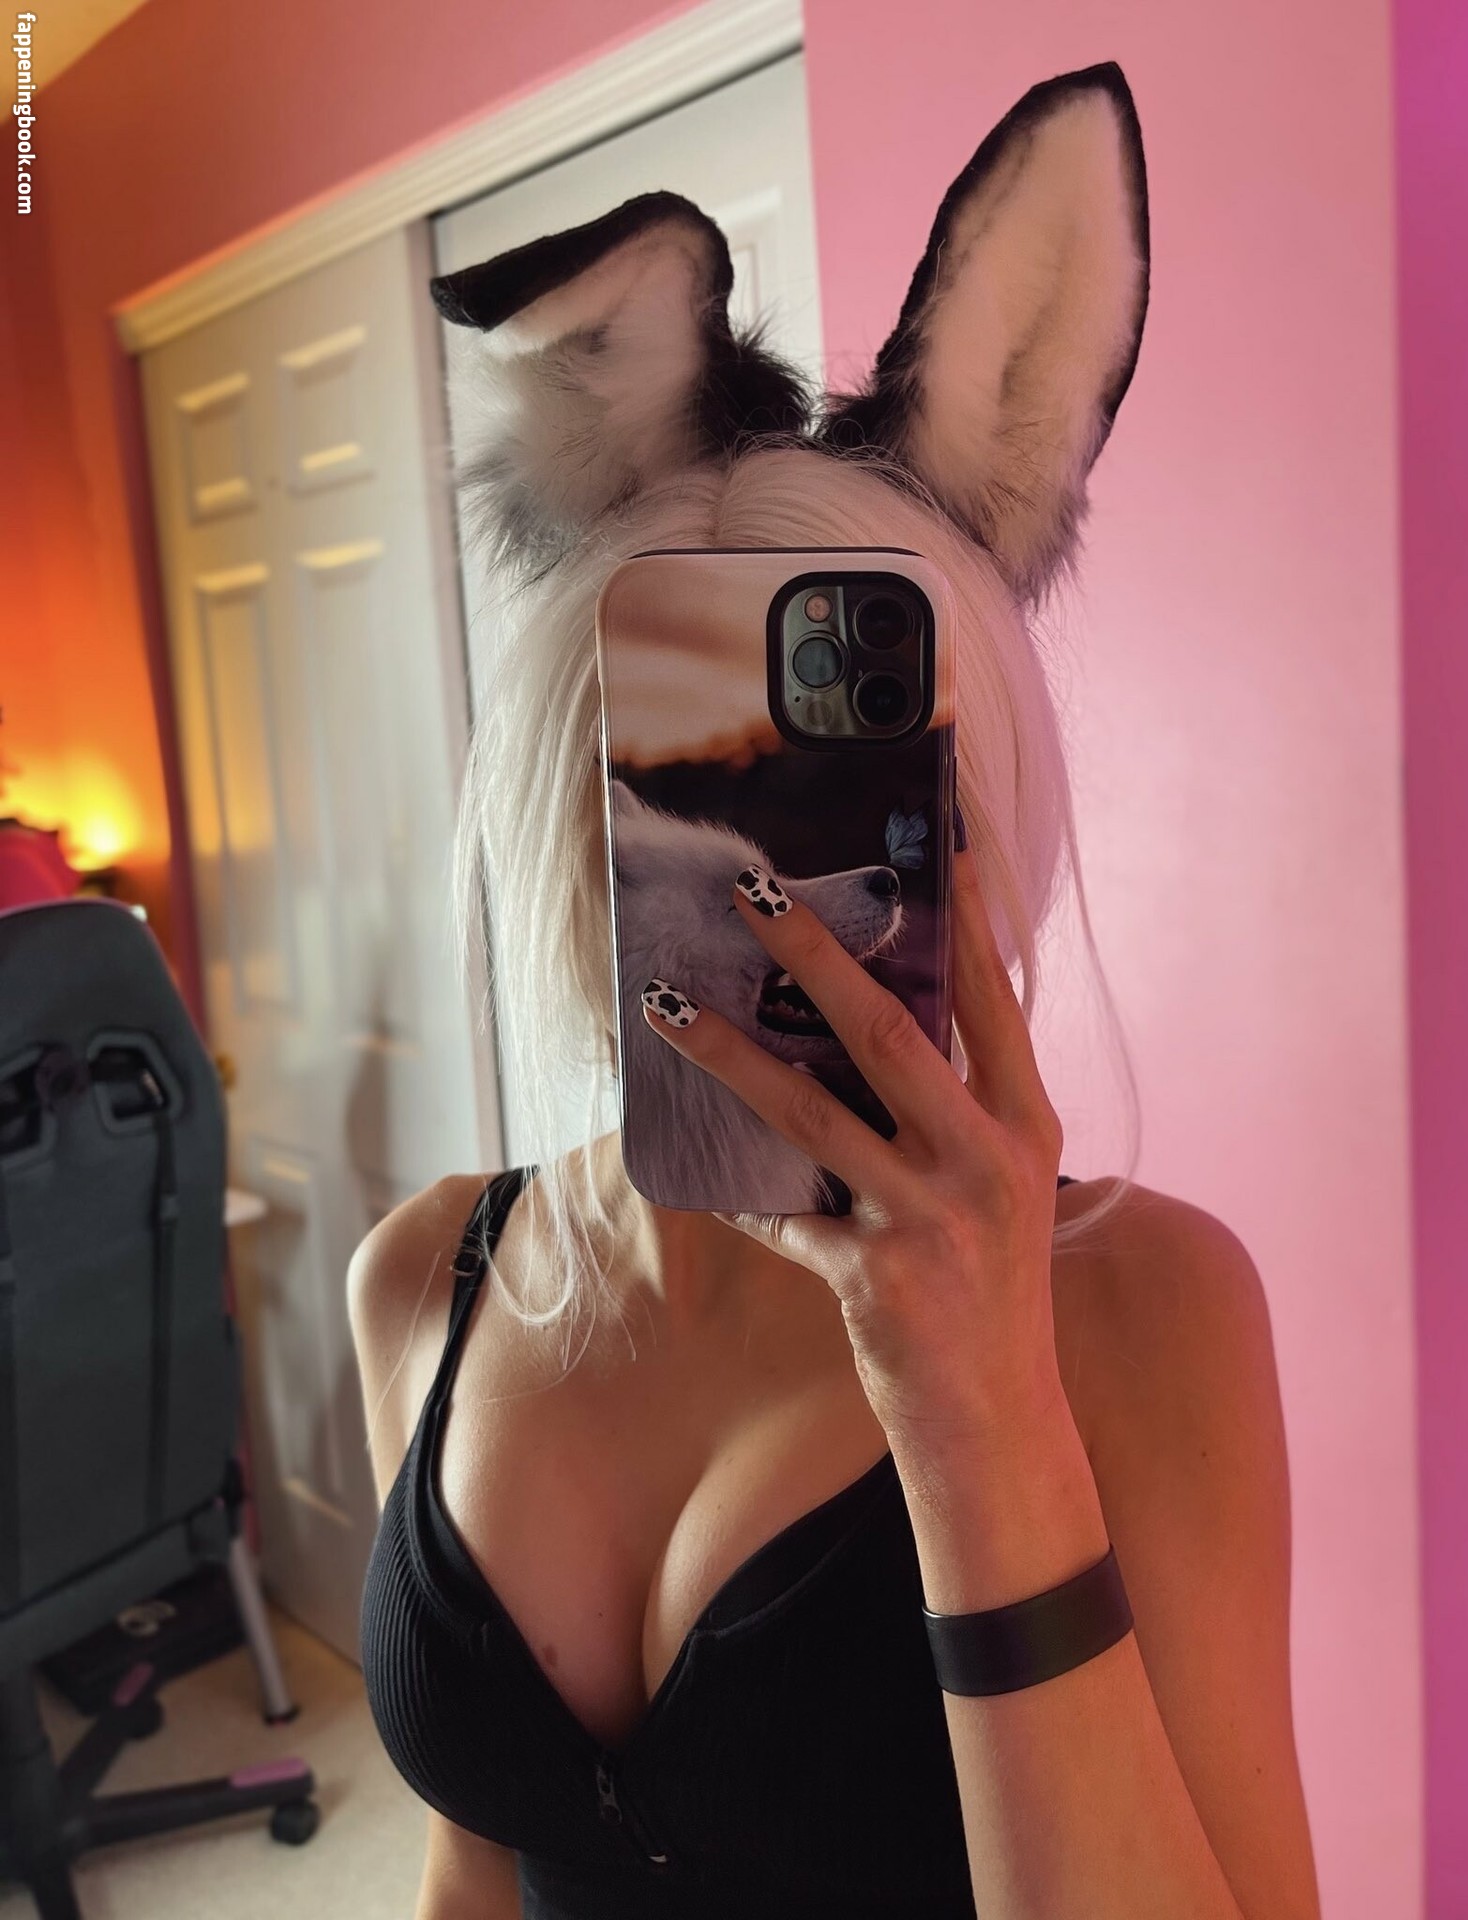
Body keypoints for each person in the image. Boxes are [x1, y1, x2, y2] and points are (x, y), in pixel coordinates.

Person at [351, 63, 1321, 1920]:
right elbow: (475, 1874)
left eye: (841, 805)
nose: (765, 890)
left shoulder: (1148, 1316)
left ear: (970, 829)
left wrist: (982, 1417)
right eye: (673, 784)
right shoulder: (420, 1283)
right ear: (570, 803)